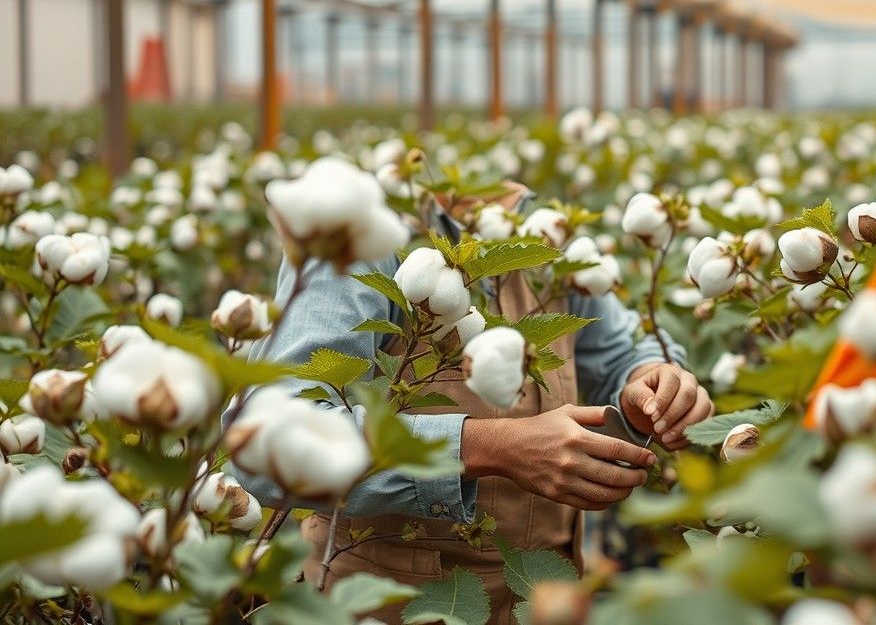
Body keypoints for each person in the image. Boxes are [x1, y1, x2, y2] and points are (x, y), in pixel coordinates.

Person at [235, 185, 712, 624]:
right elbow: (265, 443)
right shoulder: (361, 237)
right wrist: (486, 447)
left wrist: (649, 381)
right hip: (391, 608)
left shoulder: (541, 233)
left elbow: (622, 351)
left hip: (544, 602)